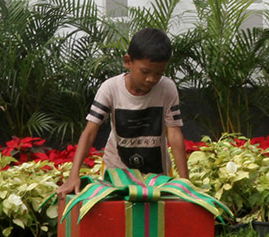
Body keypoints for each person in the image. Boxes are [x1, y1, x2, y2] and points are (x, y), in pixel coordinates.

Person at [56, 27, 188, 197]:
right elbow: (89, 132)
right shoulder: (110, 88)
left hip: (157, 175)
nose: (151, 79)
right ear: (128, 61)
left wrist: (186, 184)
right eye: (145, 72)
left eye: (159, 73)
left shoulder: (167, 88)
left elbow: (174, 134)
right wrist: (74, 175)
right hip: (117, 174)